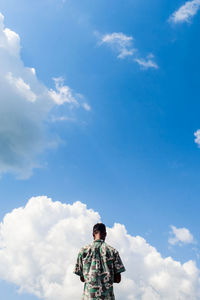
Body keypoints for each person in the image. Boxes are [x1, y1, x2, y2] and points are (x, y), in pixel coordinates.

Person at [74, 223, 125, 300]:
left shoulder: (83, 251)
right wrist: (106, 279)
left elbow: (82, 278)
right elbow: (118, 279)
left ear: (93, 234)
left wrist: (93, 277)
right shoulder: (113, 251)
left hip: (89, 297)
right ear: (105, 234)